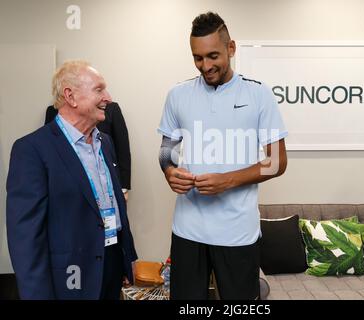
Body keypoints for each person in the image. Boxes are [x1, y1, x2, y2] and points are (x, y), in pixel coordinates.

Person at [158, 12, 288, 300]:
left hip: (237, 232)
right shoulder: (177, 95)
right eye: (198, 58)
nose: (205, 66)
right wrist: (169, 170)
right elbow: (167, 149)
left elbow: (278, 162)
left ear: (231, 48)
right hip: (187, 230)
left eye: (213, 55)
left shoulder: (259, 95)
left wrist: (227, 181)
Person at [6, 60, 137, 299]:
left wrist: (127, 257)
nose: (107, 97)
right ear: (71, 96)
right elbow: (25, 239)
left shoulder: (104, 142)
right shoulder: (32, 149)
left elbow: (114, 205)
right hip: (69, 276)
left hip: (110, 263)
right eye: (99, 89)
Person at [44, 102, 132, 201]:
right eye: (98, 90)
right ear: (68, 94)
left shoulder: (110, 109)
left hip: (106, 184)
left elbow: (122, 148)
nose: (106, 97)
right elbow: (49, 151)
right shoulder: (53, 112)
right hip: (68, 188)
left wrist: (123, 187)